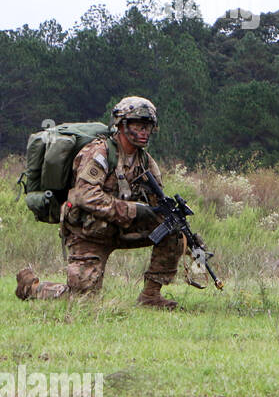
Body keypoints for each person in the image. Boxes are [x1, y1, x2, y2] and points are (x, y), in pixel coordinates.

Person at [15, 97, 184, 309]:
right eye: (139, 126)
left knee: (172, 229)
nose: (145, 132)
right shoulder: (99, 153)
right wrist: (131, 210)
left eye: (148, 126)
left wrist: (184, 237)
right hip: (87, 232)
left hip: (120, 228)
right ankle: (31, 288)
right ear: (121, 125)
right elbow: (86, 195)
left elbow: (156, 204)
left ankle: (150, 296)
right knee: (82, 300)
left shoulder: (145, 161)